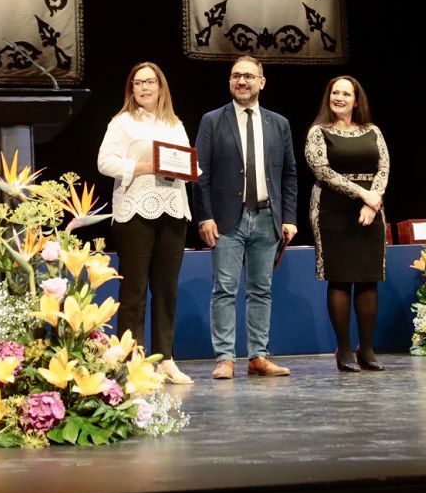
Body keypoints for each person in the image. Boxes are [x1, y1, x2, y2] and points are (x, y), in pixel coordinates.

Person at [195, 56, 298, 379]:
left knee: (261, 290)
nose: (242, 81)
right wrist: (205, 217)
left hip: (268, 218)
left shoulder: (278, 123)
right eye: (236, 76)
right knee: (224, 289)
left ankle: (258, 356)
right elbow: (201, 174)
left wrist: (290, 217)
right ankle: (225, 358)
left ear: (261, 82)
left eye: (249, 77)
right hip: (227, 219)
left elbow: (290, 174)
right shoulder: (212, 120)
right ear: (229, 81)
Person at [97, 62, 194, 384]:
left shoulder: (174, 123)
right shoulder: (122, 123)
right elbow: (104, 162)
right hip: (136, 211)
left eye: (150, 82)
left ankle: (165, 359)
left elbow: (184, 160)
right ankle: (132, 361)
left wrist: (182, 168)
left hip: (173, 209)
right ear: (132, 89)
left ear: (160, 86)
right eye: (138, 83)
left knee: (167, 291)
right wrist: (145, 166)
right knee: (134, 290)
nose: (144, 88)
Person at [305, 76, 389, 372]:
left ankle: (365, 348)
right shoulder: (319, 132)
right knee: (339, 278)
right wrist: (362, 194)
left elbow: (384, 167)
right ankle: (343, 349)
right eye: (335, 93)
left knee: (367, 278)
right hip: (332, 209)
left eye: (346, 93)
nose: (339, 97)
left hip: (370, 207)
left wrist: (371, 201)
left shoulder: (372, 131)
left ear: (356, 100)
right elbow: (322, 170)